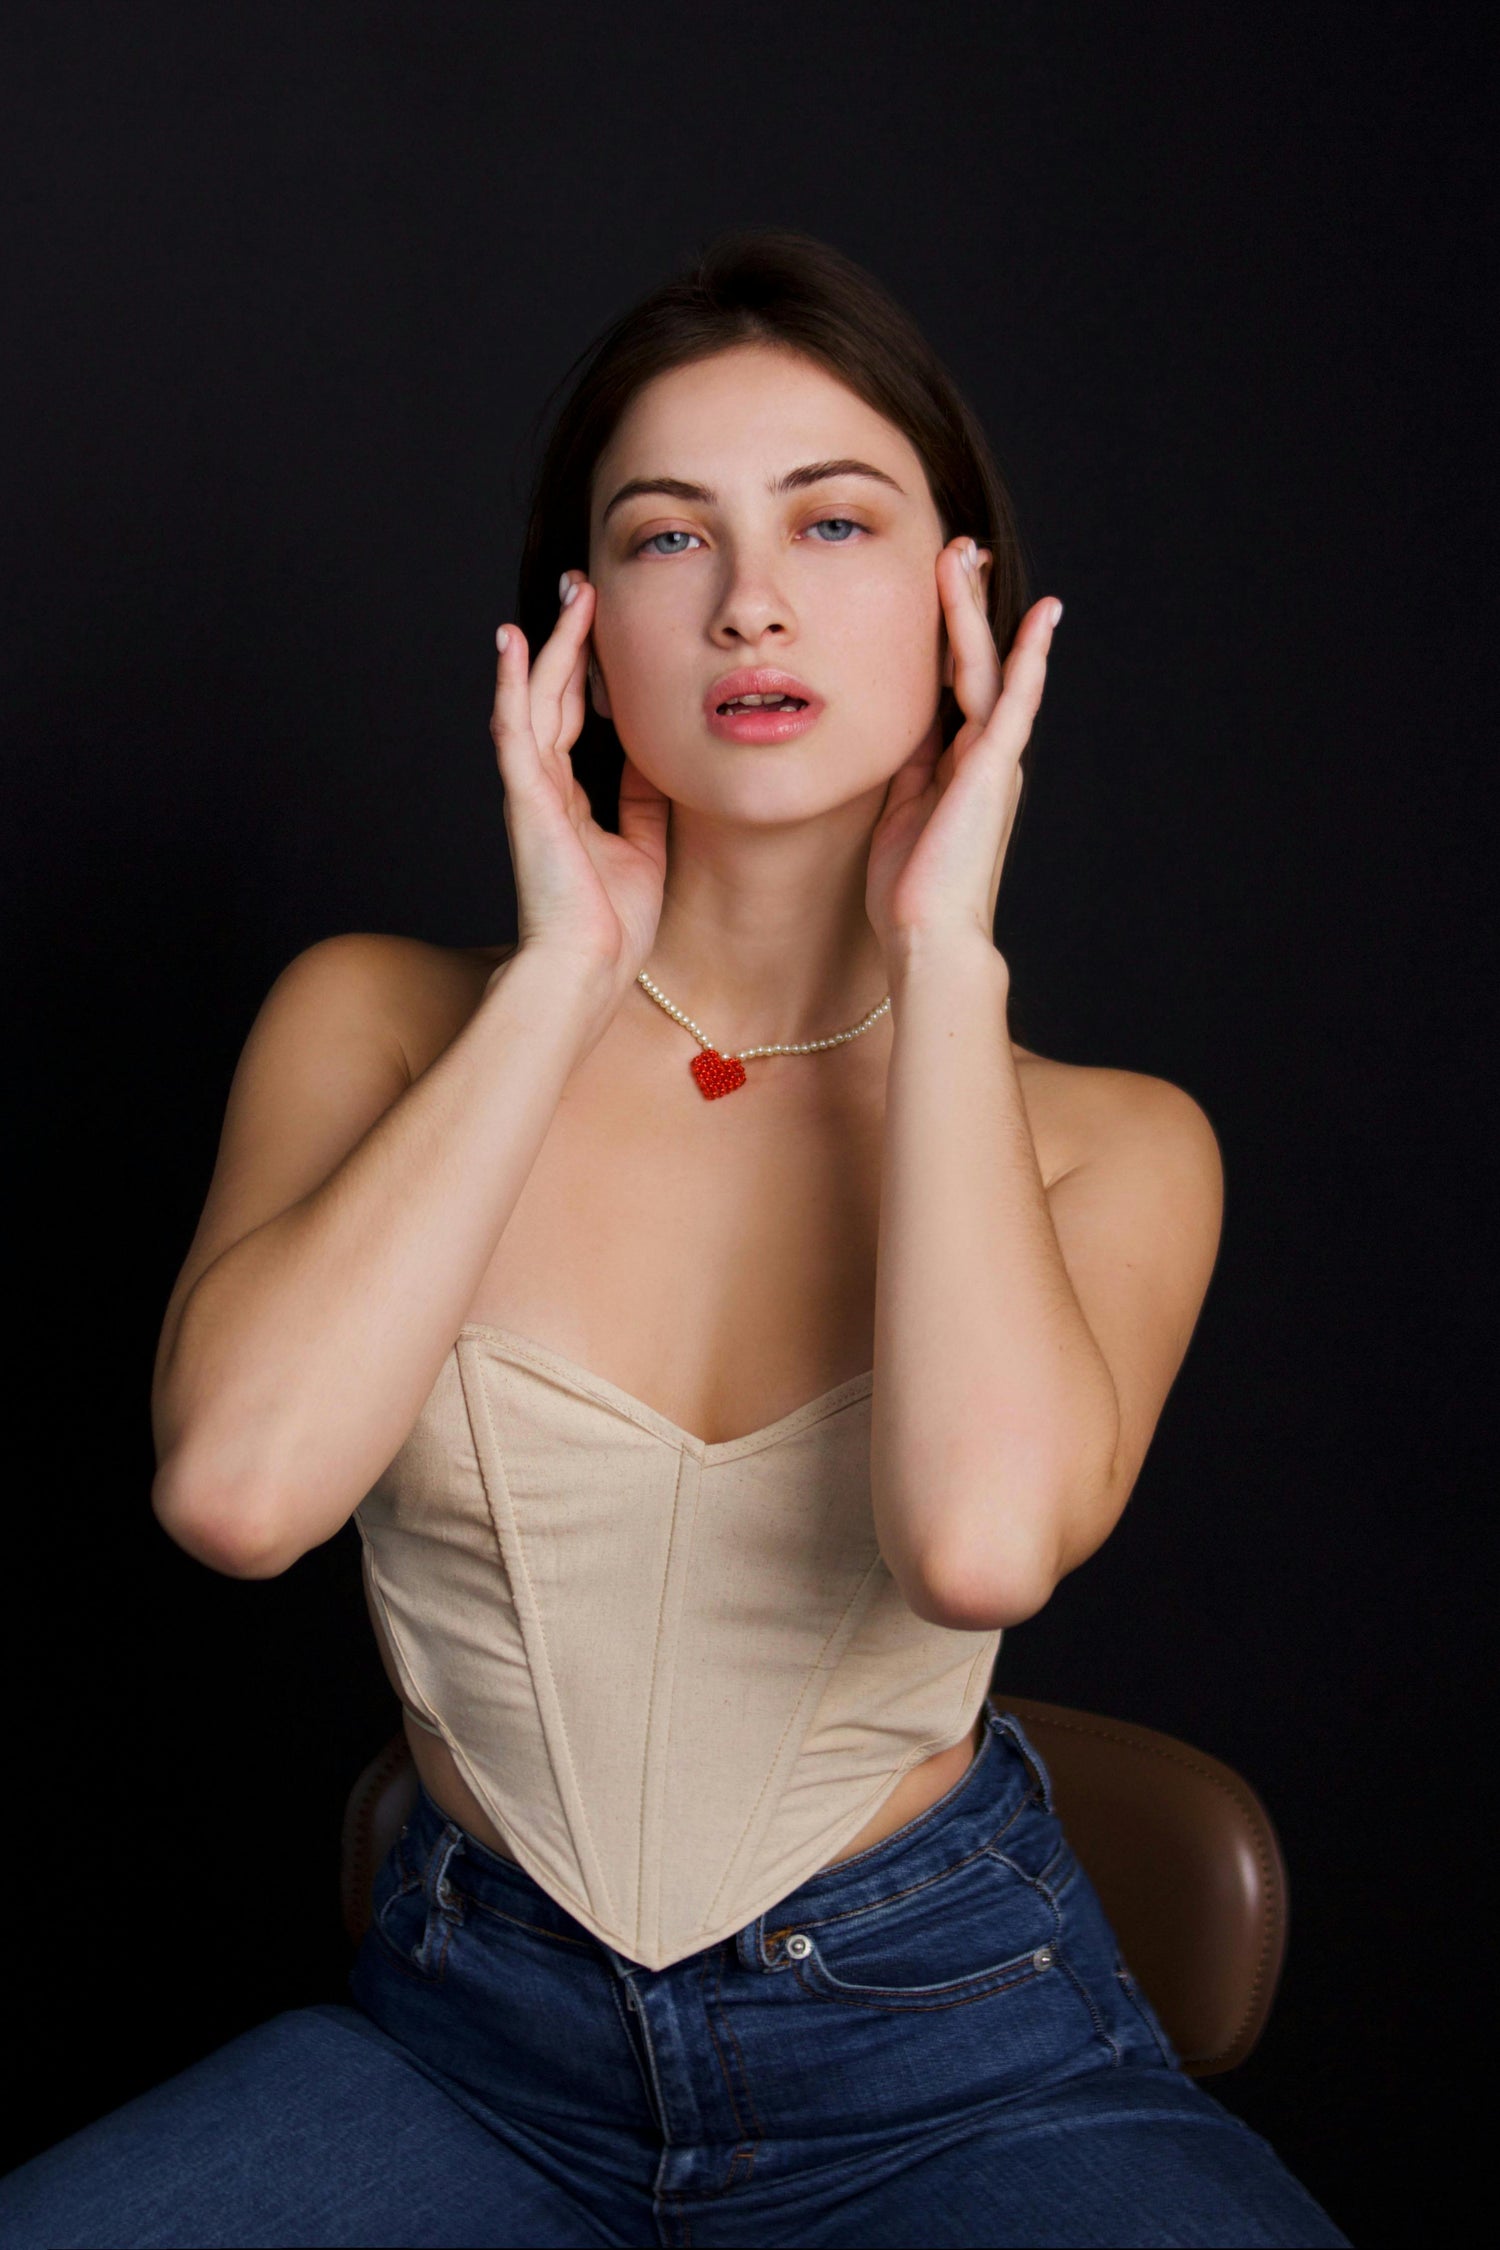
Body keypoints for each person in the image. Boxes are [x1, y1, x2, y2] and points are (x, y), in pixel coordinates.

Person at [0, 229, 1350, 2248]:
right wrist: (563, 980)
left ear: (961, 606)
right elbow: (243, 1491)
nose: (751, 601)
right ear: (580, 631)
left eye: (836, 521)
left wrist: (944, 952)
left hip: (955, 2052)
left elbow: (976, 1544)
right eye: (662, 539)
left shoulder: (1119, 1142)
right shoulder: (374, 1022)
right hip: (468, 2043)